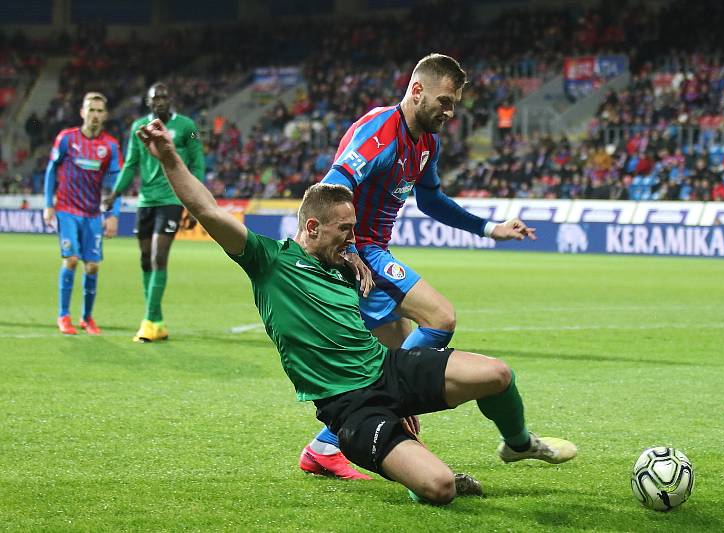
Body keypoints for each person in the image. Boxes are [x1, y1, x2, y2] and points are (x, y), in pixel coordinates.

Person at [136, 117, 577, 504]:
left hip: (389, 371)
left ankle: (517, 444)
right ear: (312, 226)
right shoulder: (268, 260)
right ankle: (365, 457)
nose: (352, 239)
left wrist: (405, 390)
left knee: (497, 374)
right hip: (350, 409)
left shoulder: (348, 267)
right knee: (440, 487)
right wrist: (170, 156)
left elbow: (392, 331)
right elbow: (205, 207)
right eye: (345, 230)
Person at [305, 53, 537, 478]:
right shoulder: (379, 132)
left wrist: (490, 229)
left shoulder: (427, 143)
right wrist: (350, 249)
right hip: (363, 251)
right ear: (416, 91)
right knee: (440, 317)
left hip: (373, 250)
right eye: (444, 102)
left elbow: (431, 201)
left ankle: (325, 447)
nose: (449, 112)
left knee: (395, 351)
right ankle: (356, 432)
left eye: (454, 104)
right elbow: (334, 185)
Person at [104, 82, 205, 342]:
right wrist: (115, 193)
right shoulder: (138, 127)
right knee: (145, 258)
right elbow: (130, 164)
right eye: (155, 97)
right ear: (148, 102)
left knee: (159, 257)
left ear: (171, 99)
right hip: (145, 201)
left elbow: (198, 164)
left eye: (164, 96)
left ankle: (148, 321)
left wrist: (196, 203)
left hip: (172, 198)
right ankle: (157, 321)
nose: (160, 100)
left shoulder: (188, 128)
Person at [43, 91, 122, 335]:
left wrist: (113, 214)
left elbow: (117, 181)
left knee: (92, 267)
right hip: (67, 209)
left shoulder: (110, 146)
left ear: (105, 115)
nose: (95, 115)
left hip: (92, 214)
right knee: (72, 259)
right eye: (91, 110)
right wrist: (49, 204)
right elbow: (50, 170)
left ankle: (87, 318)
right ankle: (63, 316)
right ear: (82, 112)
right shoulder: (66, 138)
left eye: (99, 111)